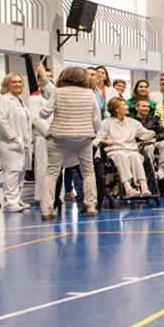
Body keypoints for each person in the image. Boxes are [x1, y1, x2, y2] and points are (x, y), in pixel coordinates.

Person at [37, 65, 101, 218]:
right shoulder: (90, 93)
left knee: (52, 172)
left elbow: (44, 114)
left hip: (58, 137)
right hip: (83, 138)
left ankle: (46, 209)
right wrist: (94, 131)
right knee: (88, 172)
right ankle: (91, 206)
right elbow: (97, 119)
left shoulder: (58, 92)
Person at [97, 96, 154, 198]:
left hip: (131, 150)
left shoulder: (132, 122)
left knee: (135, 156)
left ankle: (143, 186)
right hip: (115, 152)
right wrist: (105, 141)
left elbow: (143, 134)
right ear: (116, 109)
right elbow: (97, 139)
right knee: (121, 156)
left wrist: (150, 134)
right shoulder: (106, 123)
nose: (127, 107)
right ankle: (128, 188)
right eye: (124, 105)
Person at [0, 73, 32, 212]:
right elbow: (1, 122)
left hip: (22, 142)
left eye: (19, 82)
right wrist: (14, 137)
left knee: (20, 172)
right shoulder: (3, 100)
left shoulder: (20, 101)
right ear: (7, 84)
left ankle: (17, 199)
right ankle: (10, 201)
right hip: (9, 143)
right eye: (14, 82)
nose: (17, 84)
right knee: (12, 171)